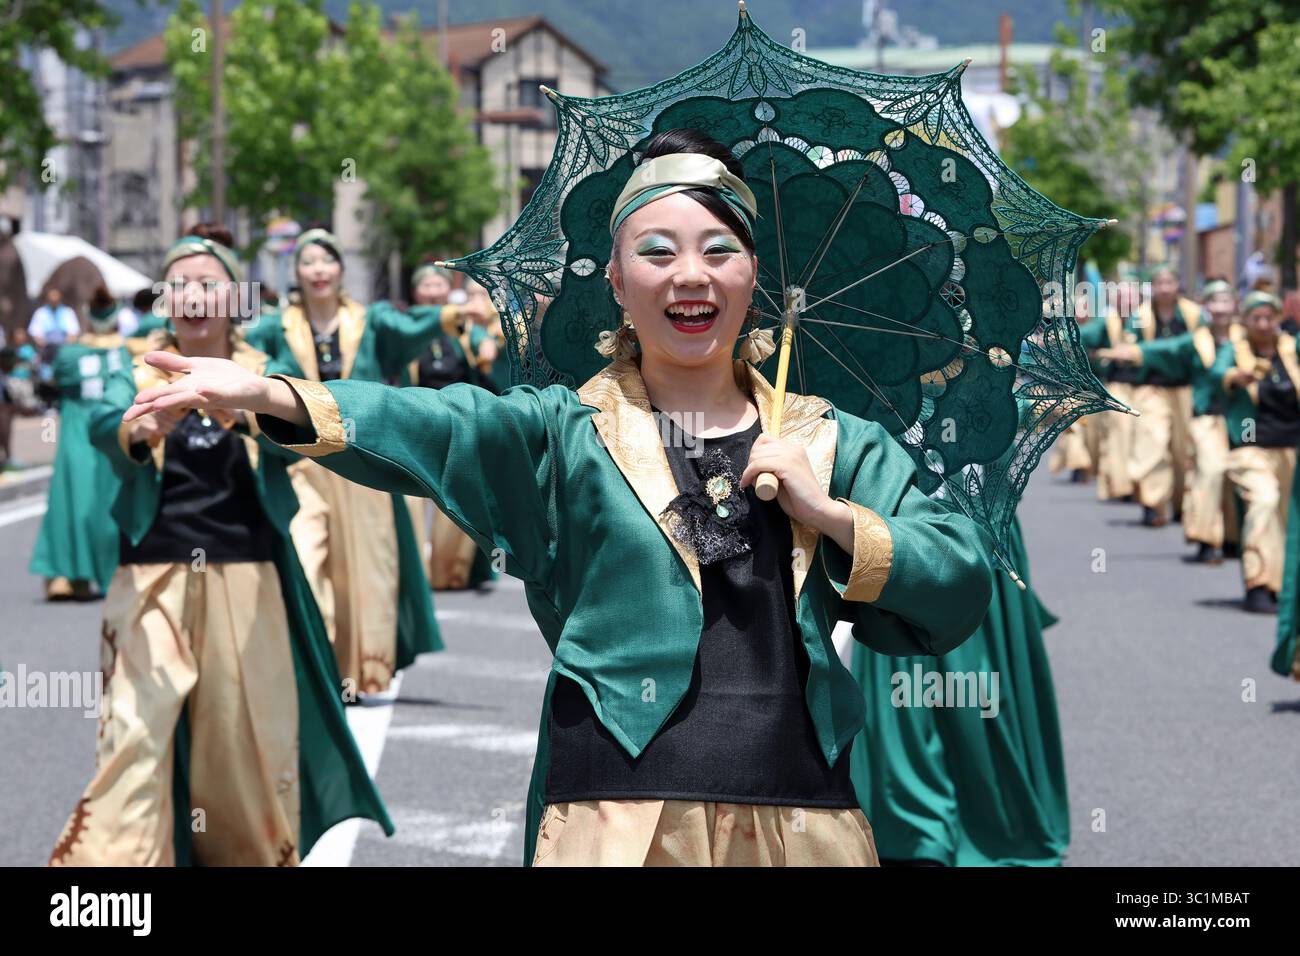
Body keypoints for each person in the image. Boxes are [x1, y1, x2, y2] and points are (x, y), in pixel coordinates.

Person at [121, 129, 994, 868]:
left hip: (803, 813)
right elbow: (442, 423)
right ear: (616, 282)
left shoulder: (829, 439)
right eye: (658, 251)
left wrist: (831, 515)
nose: (690, 274)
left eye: (718, 250)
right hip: (611, 815)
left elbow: (957, 576)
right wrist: (272, 395)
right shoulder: (565, 431)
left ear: (753, 276)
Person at [48, 225, 391, 866]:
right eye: (179, 284)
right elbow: (101, 424)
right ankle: (110, 877)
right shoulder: (135, 366)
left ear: (234, 298)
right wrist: (140, 423)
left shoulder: (257, 372)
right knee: (133, 732)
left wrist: (252, 417)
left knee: (240, 743)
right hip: (151, 577)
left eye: (208, 284)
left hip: (247, 575)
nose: (193, 295)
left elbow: (303, 427)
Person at [241, 229, 483, 696]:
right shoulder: (277, 325)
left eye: (326, 261)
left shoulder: (367, 321)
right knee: (305, 558)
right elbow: (247, 354)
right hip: (301, 462)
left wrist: (454, 312)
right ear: (297, 273)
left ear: (339, 271)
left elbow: (413, 327)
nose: (317, 270)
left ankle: (357, 671)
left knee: (367, 570)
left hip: (361, 456)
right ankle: (315, 664)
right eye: (308, 262)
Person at [850, 515, 1067, 866]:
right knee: (937, 682)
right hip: (924, 527)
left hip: (933, 526)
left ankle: (924, 823)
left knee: (958, 683)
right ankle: (927, 821)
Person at [1099, 279, 1241, 563]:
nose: (1221, 308)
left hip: (1237, 417)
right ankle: (1198, 533)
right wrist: (1133, 352)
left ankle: (1232, 537)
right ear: (1208, 306)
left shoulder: (1246, 338)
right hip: (1190, 408)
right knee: (1200, 464)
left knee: (1206, 466)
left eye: (1227, 301)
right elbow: (1165, 349)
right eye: (1215, 301)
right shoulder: (1189, 336)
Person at [29, 285, 130, 600]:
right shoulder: (128, 352)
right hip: (117, 428)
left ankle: (67, 574)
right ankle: (115, 570)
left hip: (78, 429)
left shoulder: (71, 353)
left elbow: (58, 377)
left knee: (70, 499)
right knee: (113, 499)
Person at [405, 261, 499, 590]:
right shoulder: (405, 328)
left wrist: (490, 348)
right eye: (426, 286)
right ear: (416, 291)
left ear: (449, 289)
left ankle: (449, 572)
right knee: (410, 499)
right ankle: (414, 573)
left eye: (439, 285)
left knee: (458, 497)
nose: (433, 291)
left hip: (456, 424)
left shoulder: (466, 331)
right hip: (414, 424)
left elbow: (489, 364)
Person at [1216, 292, 1299, 613]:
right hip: (1250, 446)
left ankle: (1284, 586)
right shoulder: (1233, 351)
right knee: (1264, 501)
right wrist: (1237, 376)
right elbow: (1214, 375)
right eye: (1257, 318)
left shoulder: (1292, 349)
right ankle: (1259, 583)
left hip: (1291, 447)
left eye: (1270, 317)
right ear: (1245, 321)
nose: (1264, 324)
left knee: (1287, 519)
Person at [1126, 266, 1205, 526]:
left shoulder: (1194, 315)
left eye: (1169, 281)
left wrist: (1153, 350)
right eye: (1159, 282)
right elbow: (1130, 349)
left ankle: (1183, 504)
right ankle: (1152, 501)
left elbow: (1202, 346)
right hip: (1152, 388)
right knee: (1153, 441)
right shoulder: (1140, 316)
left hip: (1185, 388)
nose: (1164, 287)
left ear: (1177, 284)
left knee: (1184, 449)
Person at [27, 287, 81, 357]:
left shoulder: (68, 312)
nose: (54, 299)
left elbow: (74, 333)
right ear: (48, 298)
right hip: (46, 351)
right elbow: (35, 334)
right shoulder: (40, 312)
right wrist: (47, 346)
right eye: (52, 297)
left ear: (60, 297)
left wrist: (63, 347)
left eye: (56, 296)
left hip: (64, 349)